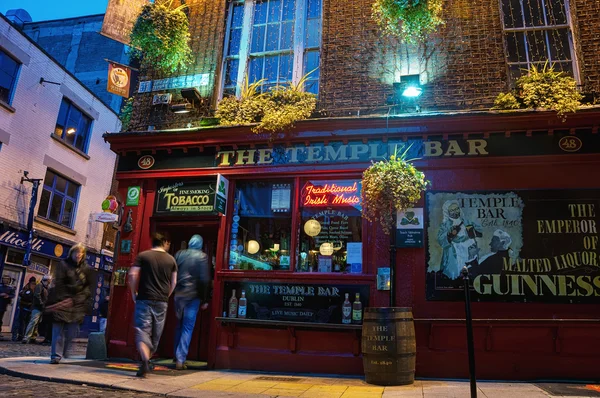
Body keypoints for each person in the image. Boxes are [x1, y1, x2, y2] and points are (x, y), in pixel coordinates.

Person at [129, 232, 177, 377]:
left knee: (143, 330)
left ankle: (144, 359)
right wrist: (166, 295)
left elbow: (132, 275)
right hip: (162, 301)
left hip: (144, 298)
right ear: (165, 242)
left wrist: (133, 292)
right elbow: (174, 282)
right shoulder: (171, 260)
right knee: (156, 334)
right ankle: (147, 360)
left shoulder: (143, 256)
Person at [46, 243, 92, 364]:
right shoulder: (63, 265)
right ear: (71, 253)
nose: (78, 255)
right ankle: (55, 356)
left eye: (81, 253)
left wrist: (76, 299)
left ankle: (65, 351)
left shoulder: (85, 268)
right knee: (58, 331)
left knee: (72, 332)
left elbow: (87, 289)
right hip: (62, 302)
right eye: (76, 252)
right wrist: (65, 298)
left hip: (76, 306)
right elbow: (59, 284)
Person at [173, 235, 210, 370]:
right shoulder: (202, 257)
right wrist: (205, 299)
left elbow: (173, 273)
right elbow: (204, 279)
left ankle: (174, 355)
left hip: (178, 295)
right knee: (187, 327)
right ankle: (180, 359)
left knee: (179, 325)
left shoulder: (179, 254)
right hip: (192, 296)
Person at [437, 200, 482, 280]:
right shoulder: (446, 225)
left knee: (471, 273)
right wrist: (449, 235)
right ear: (448, 212)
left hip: (470, 253)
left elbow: (479, 231)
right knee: (456, 276)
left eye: (457, 209)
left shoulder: (466, 221)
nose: (455, 211)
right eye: (452, 210)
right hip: (455, 254)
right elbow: (441, 240)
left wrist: (473, 231)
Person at [22, 274, 51, 344]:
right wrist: (41, 304)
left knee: (37, 323)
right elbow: (37, 295)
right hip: (37, 307)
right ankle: (26, 337)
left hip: (42, 308)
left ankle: (33, 337)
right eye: (48, 281)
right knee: (33, 322)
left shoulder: (46, 287)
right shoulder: (40, 286)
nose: (49, 282)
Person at [13, 276, 36, 341]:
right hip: (24, 308)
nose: (33, 284)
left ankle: (23, 336)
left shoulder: (34, 288)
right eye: (32, 283)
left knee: (26, 323)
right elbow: (22, 295)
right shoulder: (26, 288)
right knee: (21, 323)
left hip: (29, 308)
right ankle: (20, 336)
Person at [0, 275, 16, 340]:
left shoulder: (10, 288)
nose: (5, 280)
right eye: (4, 279)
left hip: (3, 305)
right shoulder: (0, 286)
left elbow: (13, 295)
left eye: (7, 279)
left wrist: (8, 296)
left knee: (0, 319)